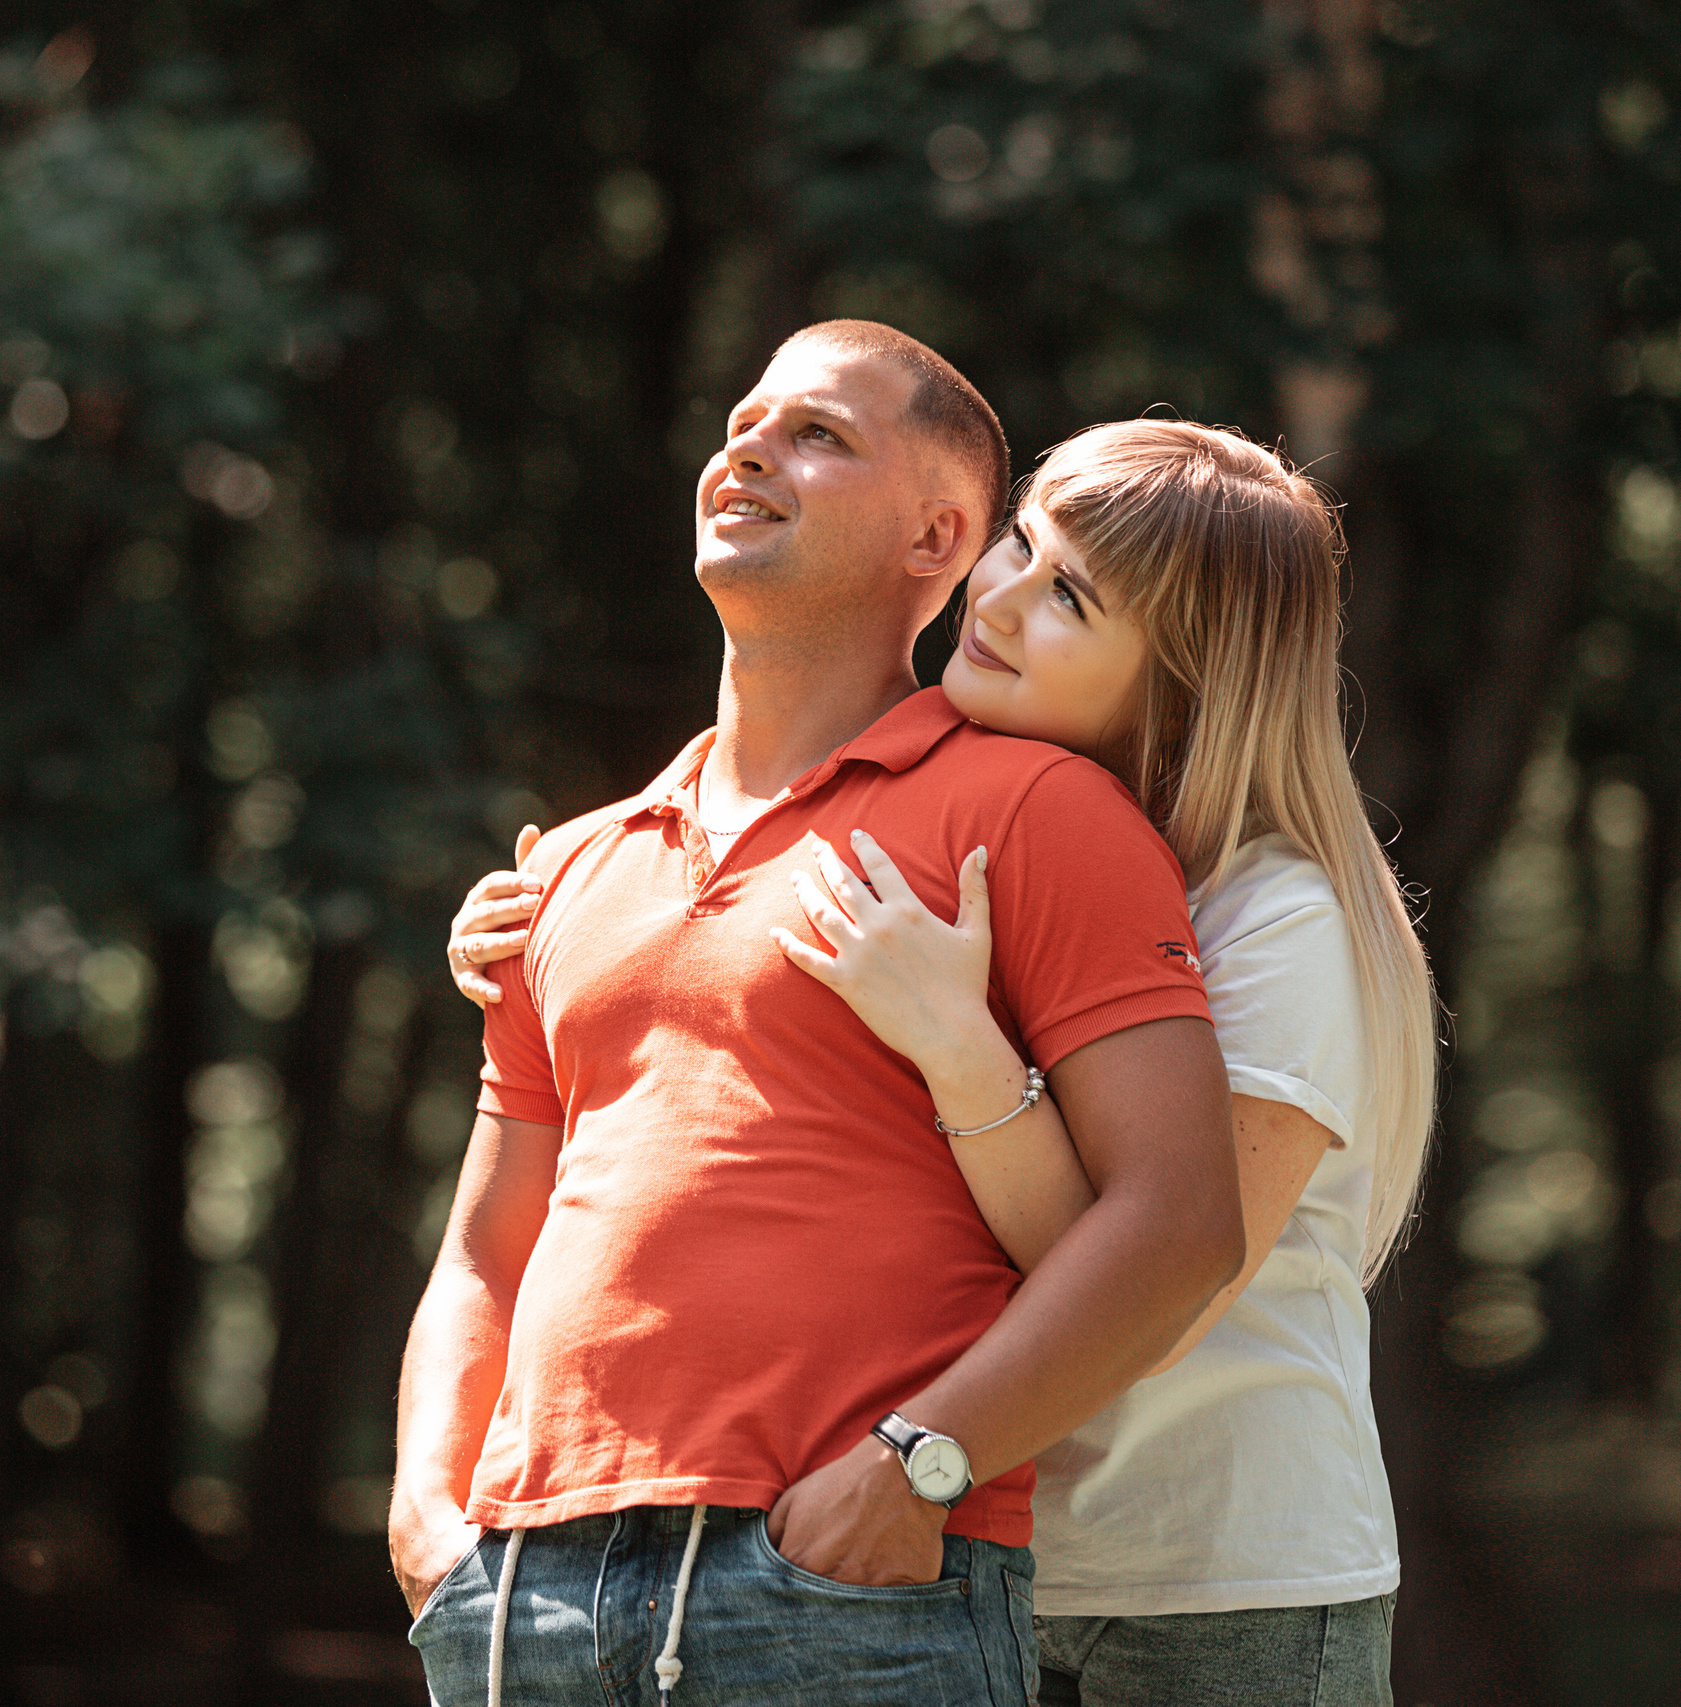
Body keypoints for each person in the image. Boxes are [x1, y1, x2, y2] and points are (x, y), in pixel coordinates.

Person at [450, 418, 1437, 1704]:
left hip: (1209, 1583)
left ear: (1185, 685)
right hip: (963, 1556)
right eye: (1024, 542)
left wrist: (961, 1051)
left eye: (1071, 597)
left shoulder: (1276, 920)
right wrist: (561, 919)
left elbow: (1163, 1283)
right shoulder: (998, 848)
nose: (1006, 596)